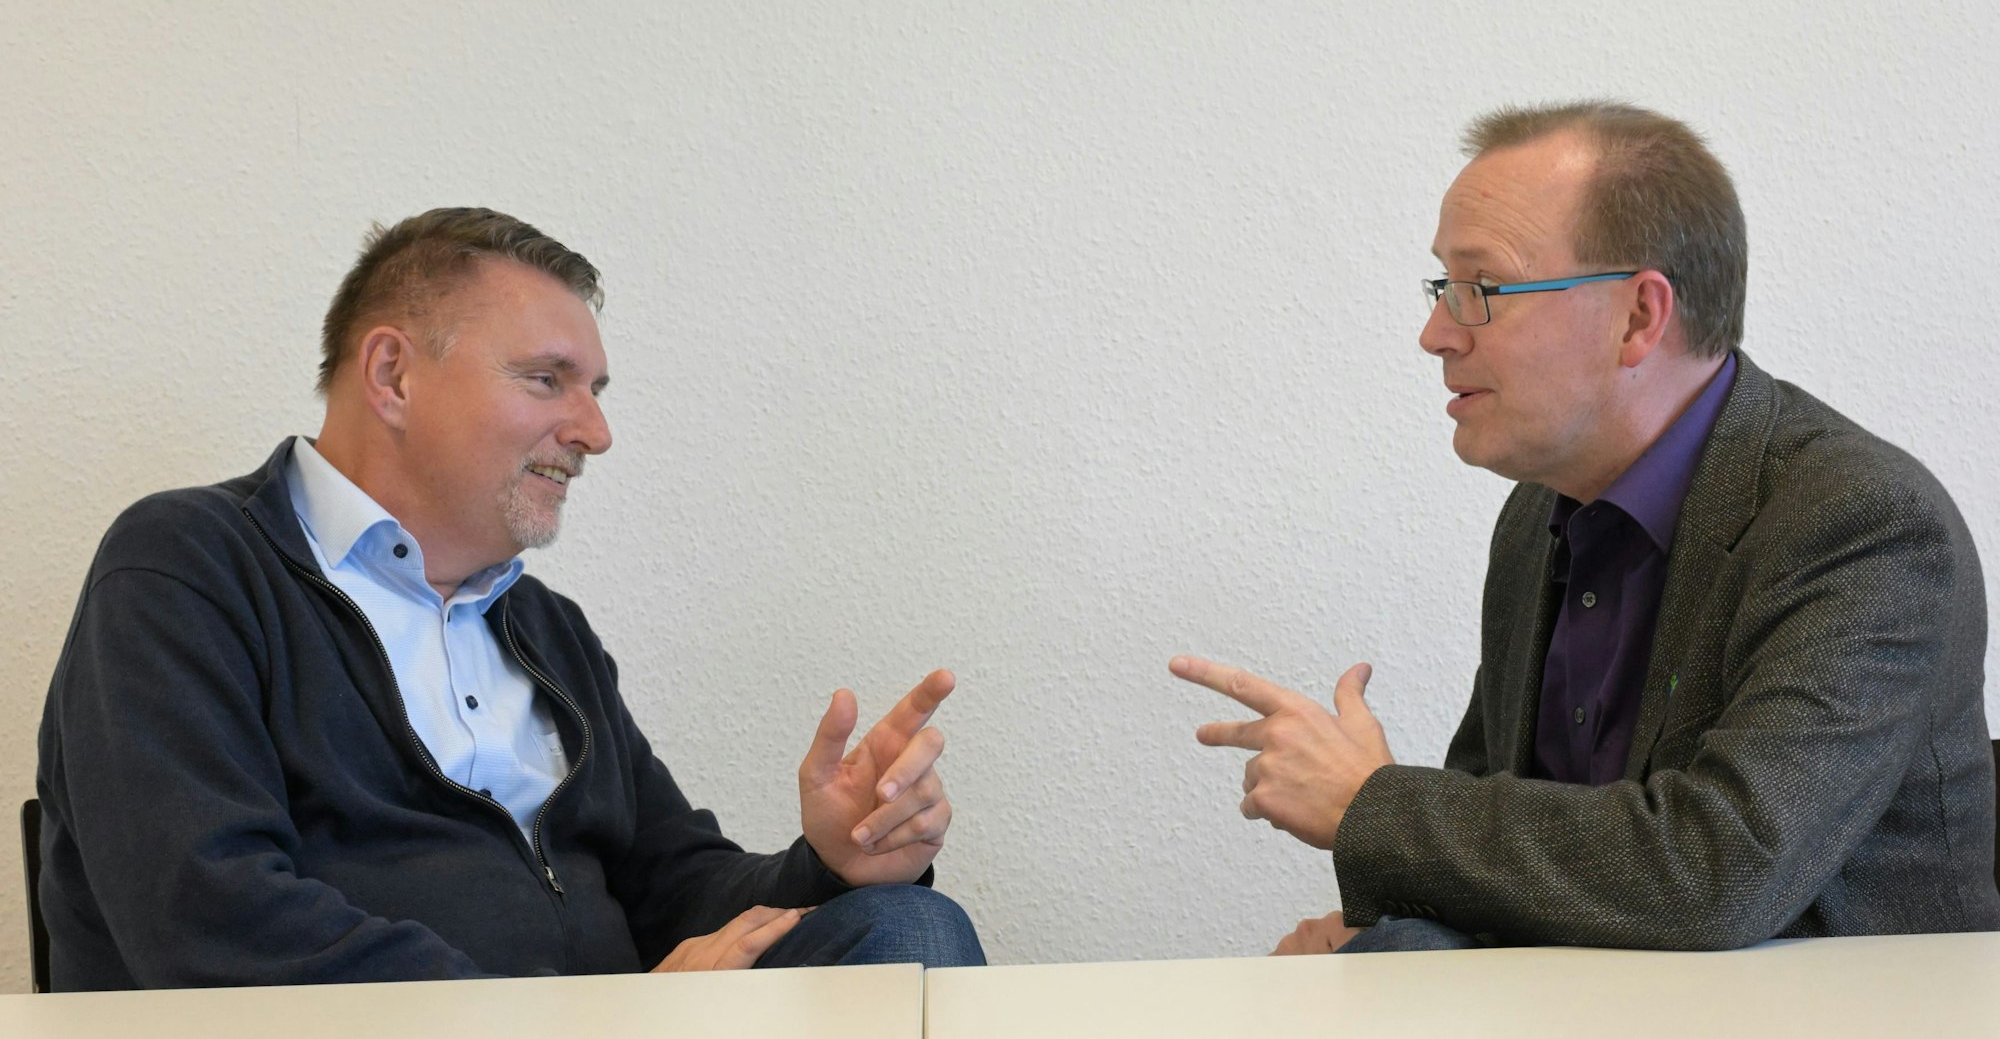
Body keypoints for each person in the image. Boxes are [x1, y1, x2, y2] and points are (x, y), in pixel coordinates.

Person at [37, 207, 984, 989]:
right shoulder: (186, 567)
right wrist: (581, 1024)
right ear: (392, 374)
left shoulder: (546, 630)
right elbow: (206, 914)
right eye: (546, 380)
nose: (595, 431)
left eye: (595, 389)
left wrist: (832, 860)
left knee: (905, 930)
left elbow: (670, 889)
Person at [1173, 101, 1997, 952]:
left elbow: (1720, 872)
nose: (1436, 333)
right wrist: (1390, 928)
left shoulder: (1865, 524)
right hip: (1601, 992)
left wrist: (1370, 805)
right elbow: (1510, 847)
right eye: (1442, 287)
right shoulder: (1538, 514)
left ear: (1639, 316)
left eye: (1481, 289)